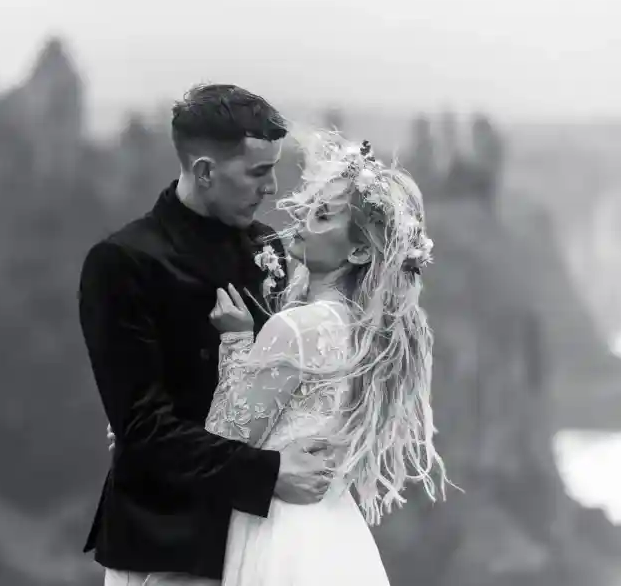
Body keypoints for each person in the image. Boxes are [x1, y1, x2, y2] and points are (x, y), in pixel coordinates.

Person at [78, 84, 336, 586]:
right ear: (204, 171)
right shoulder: (123, 262)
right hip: (165, 544)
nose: (272, 189)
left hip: (260, 542)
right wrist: (268, 472)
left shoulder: (273, 250)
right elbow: (143, 429)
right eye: (259, 172)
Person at [201, 129, 449, 585]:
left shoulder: (297, 328)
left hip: (283, 534)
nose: (301, 220)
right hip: (335, 536)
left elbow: (222, 443)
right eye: (311, 206)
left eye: (322, 215)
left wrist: (235, 340)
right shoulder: (366, 333)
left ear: (357, 249)